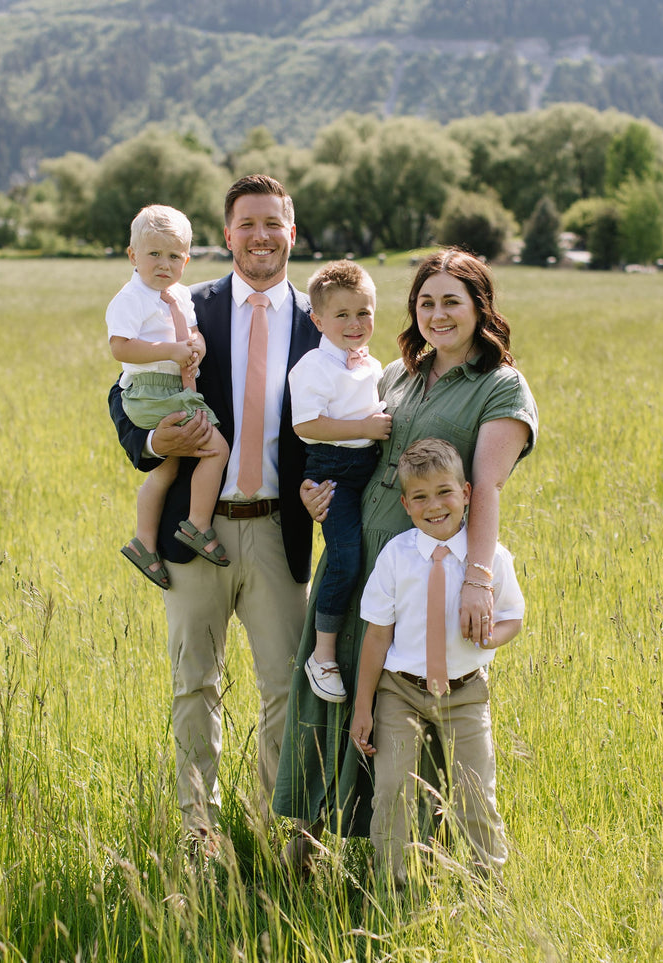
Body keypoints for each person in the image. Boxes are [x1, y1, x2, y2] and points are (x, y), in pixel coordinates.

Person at [273, 247, 538, 866]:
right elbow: (347, 446)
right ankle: (311, 839)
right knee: (331, 686)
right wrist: (319, 493)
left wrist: (478, 581)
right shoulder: (396, 373)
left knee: (411, 702)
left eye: (452, 300)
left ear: (480, 306)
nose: (438, 313)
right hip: (356, 559)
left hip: (427, 574)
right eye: (426, 301)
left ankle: (419, 851)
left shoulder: (500, 387)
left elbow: (488, 488)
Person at [109, 175, 321, 849]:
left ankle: (280, 836)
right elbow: (124, 394)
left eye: (273, 223)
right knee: (193, 686)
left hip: (277, 531)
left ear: (292, 232)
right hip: (190, 529)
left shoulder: (324, 321)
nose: (260, 235)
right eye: (246, 224)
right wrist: (150, 441)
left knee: (287, 689)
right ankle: (200, 836)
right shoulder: (181, 306)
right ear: (226, 236)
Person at [350, 437, 524, 887]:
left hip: (466, 693)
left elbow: (513, 618)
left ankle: (489, 889)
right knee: (392, 790)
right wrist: (363, 707)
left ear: (466, 493)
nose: (434, 505)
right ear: (406, 504)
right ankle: (393, 884)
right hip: (400, 692)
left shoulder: (490, 559)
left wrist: (490, 636)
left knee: (474, 793)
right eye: (421, 497)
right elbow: (376, 636)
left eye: (445, 492)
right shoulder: (396, 557)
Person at [106, 204, 231, 590]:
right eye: (154, 254)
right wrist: (170, 352)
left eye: (174, 256)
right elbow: (121, 349)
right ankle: (197, 523)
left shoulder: (178, 295)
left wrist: (196, 348)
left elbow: (191, 333)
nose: (164, 264)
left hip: (174, 384)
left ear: (186, 260)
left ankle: (144, 540)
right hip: (151, 392)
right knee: (216, 450)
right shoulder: (132, 298)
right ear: (133, 256)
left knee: (168, 467)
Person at [287, 260, 391, 703]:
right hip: (332, 471)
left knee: (376, 555)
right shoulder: (312, 366)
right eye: (342, 315)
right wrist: (365, 429)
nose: (355, 324)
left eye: (364, 313)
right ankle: (323, 653)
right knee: (345, 557)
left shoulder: (371, 364)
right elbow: (307, 425)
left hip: (368, 467)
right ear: (318, 320)